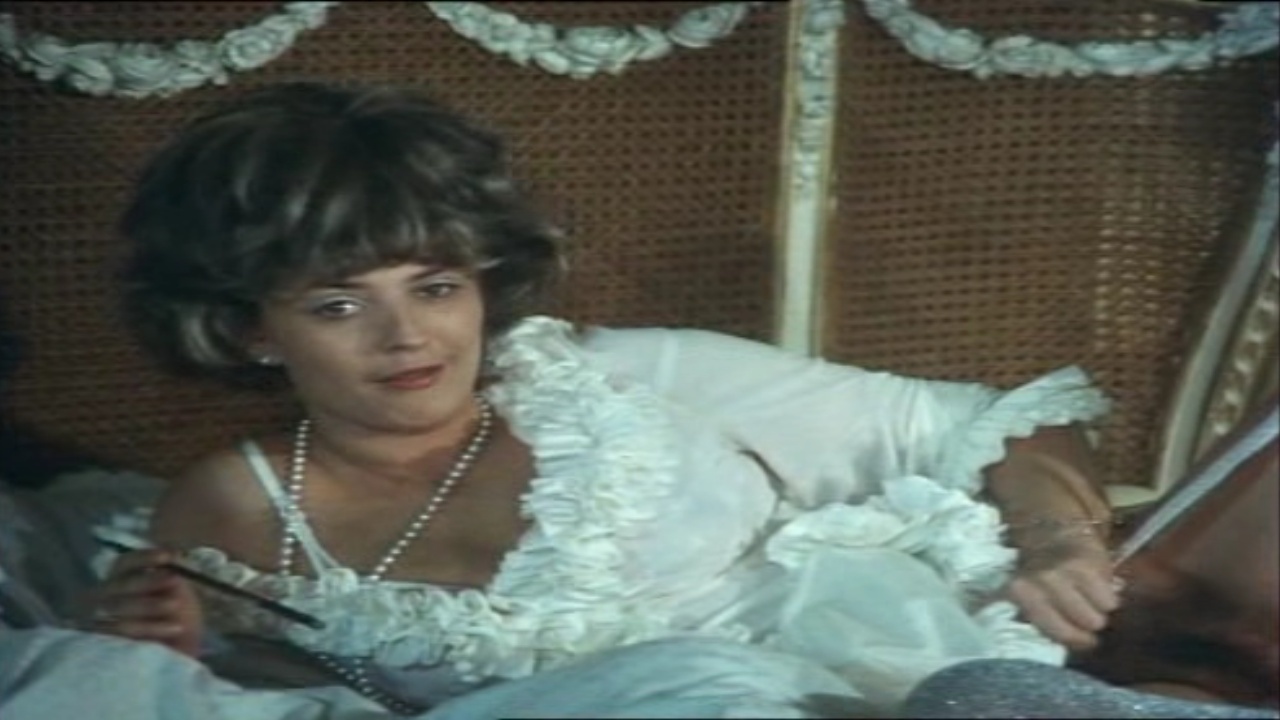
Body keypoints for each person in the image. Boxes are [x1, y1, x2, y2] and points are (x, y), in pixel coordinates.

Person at [84, 80, 1125, 718]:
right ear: (249, 328)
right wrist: (162, 652)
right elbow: (277, 694)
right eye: (338, 305)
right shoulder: (230, 508)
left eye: (435, 286)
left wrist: (1056, 544)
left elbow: (989, 422)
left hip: (890, 691)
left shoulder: (621, 374)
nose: (408, 337)